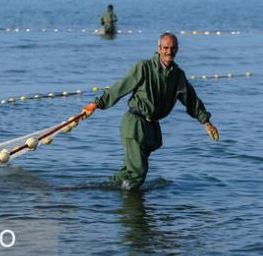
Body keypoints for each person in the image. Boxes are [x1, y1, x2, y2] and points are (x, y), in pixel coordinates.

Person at [81, 32, 219, 190]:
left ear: (177, 50)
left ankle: (97, 191)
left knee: (129, 172)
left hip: (150, 129)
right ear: (159, 49)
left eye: (173, 48)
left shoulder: (178, 75)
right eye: (166, 48)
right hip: (134, 125)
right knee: (138, 172)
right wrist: (96, 104)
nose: (169, 51)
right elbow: (121, 87)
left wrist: (206, 122)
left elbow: (192, 101)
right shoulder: (143, 67)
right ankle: (129, 209)